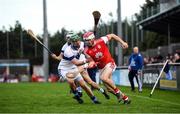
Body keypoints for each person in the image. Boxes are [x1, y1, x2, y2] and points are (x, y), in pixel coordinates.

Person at [51, 31, 109, 100]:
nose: (68, 39)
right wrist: (56, 57)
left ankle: (79, 91)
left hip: (81, 64)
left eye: (70, 38)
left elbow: (89, 48)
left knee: (88, 81)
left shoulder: (81, 43)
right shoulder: (65, 47)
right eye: (68, 38)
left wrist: (90, 57)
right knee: (77, 80)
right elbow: (61, 58)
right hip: (75, 64)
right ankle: (79, 91)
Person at [83, 31, 131, 104]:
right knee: (109, 89)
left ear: (93, 39)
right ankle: (125, 98)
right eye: (86, 41)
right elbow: (91, 61)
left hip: (109, 63)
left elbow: (112, 35)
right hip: (101, 68)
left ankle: (117, 92)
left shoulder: (101, 40)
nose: (87, 42)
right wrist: (91, 64)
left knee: (103, 78)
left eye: (88, 40)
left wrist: (123, 42)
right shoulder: (86, 51)